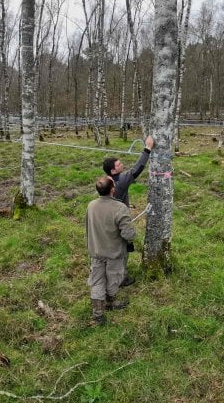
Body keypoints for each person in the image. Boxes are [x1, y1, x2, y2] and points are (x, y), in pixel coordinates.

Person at [102, 135, 153, 286]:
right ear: (113, 170)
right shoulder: (121, 181)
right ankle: (120, 278)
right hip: (118, 222)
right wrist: (148, 148)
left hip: (107, 221)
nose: (122, 164)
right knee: (121, 251)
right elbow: (137, 169)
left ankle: (110, 273)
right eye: (119, 164)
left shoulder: (106, 181)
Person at [86, 176, 136, 326]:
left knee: (97, 280)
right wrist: (133, 232)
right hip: (114, 253)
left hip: (96, 250)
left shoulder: (91, 205)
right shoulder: (120, 208)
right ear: (113, 190)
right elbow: (128, 234)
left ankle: (98, 314)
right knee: (113, 278)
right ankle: (110, 301)